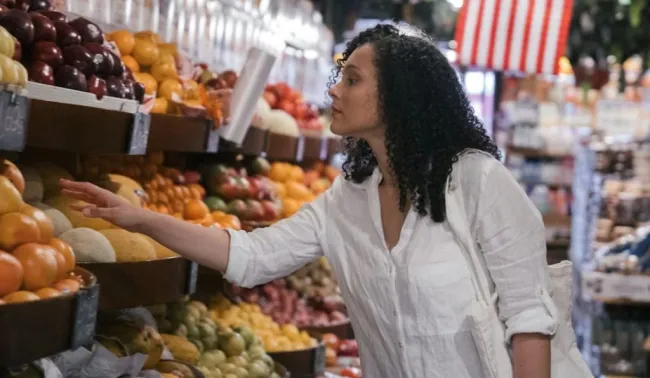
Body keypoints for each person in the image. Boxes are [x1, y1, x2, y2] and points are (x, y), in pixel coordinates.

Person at [60, 24, 556, 378]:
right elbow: (252, 257)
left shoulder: (478, 183)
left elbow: (530, 322)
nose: (334, 90)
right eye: (339, 75)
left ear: (401, 97)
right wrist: (139, 218)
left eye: (353, 79)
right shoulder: (348, 199)